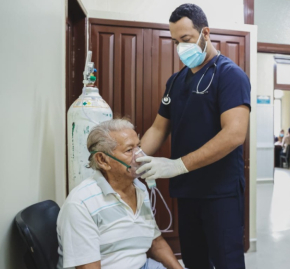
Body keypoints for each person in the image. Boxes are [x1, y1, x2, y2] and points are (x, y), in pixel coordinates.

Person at [136, 4, 251, 269]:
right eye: (175, 41)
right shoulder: (176, 81)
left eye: (185, 40)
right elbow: (158, 128)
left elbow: (234, 134)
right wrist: (135, 158)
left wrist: (178, 165)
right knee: (194, 260)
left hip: (219, 193)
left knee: (226, 263)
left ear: (205, 33)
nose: (179, 48)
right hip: (187, 192)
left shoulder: (230, 75)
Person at [56, 119, 183, 269]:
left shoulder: (140, 189)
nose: (140, 156)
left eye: (139, 147)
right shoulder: (81, 204)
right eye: (129, 150)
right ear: (103, 160)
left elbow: (156, 242)